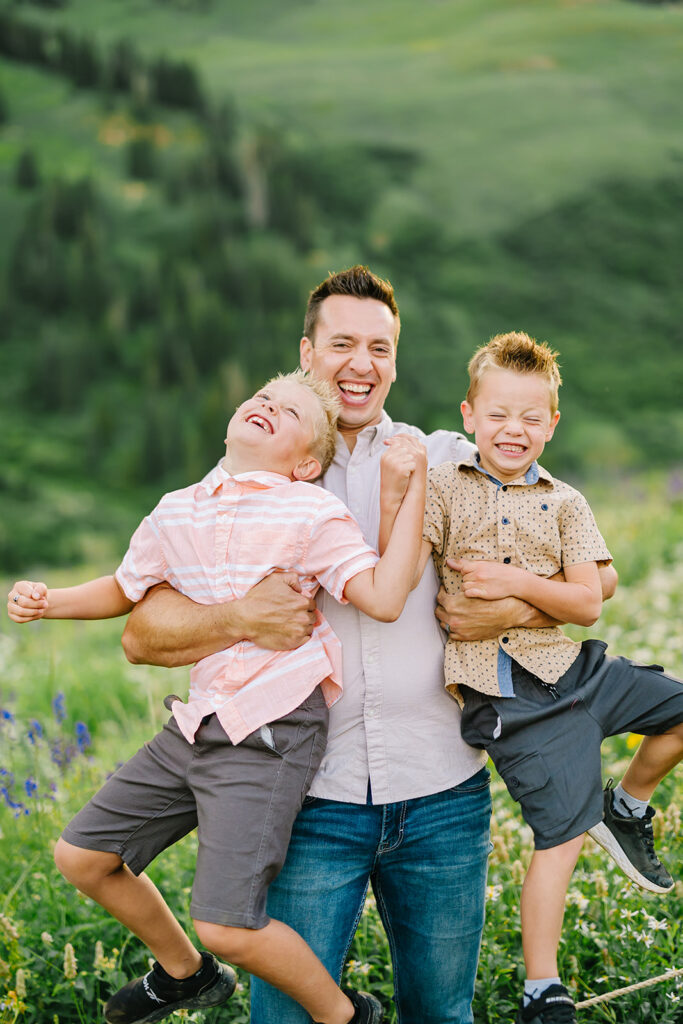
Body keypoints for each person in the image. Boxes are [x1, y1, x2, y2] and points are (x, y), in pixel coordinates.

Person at [114, 266, 617, 1024]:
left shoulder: (447, 455)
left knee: (441, 1014)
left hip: (442, 793)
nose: (361, 363)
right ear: (306, 352)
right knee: (286, 1018)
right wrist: (242, 616)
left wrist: (511, 611)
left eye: (379, 348)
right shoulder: (238, 483)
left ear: (395, 360)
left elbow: (587, 574)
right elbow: (141, 633)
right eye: (342, 342)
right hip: (310, 799)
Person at [8, 369, 429, 1024]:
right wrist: (49, 602)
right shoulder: (177, 509)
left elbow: (379, 595)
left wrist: (412, 500)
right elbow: (125, 588)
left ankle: (344, 1015)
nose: (265, 405)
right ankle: (185, 973)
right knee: (82, 855)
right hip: (199, 720)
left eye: (287, 411)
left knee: (229, 926)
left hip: (271, 725)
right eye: (261, 397)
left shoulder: (311, 511)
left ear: (307, 461)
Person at [415, 330, 683, 1024]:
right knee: (560, 836)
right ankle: (542, 987)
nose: (514, 429)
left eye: (530, 417)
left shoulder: (565, 502)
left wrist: (508, 581)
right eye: (498, 414)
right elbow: (408, 566)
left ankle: (626, 807)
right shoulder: (441, 488)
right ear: (469, 415)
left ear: (550, 426)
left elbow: (587, 602)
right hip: (507, 697)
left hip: (575, 668)